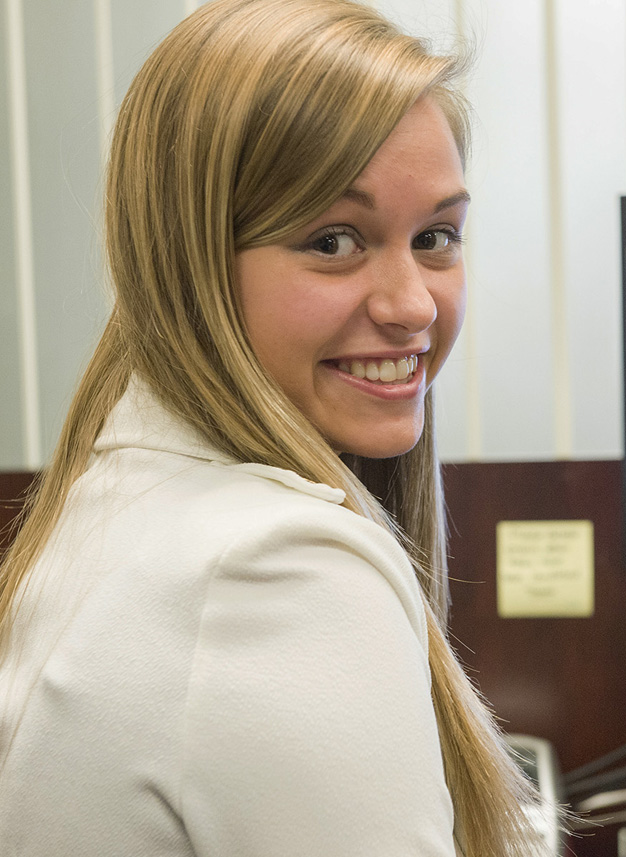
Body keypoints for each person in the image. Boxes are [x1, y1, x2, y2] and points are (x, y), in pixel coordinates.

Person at [0, 1, 547, 854]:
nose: (412, 305)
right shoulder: (274, 571)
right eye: (335, 240)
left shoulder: (124, 498)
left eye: (436, 236)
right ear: (191, 259)